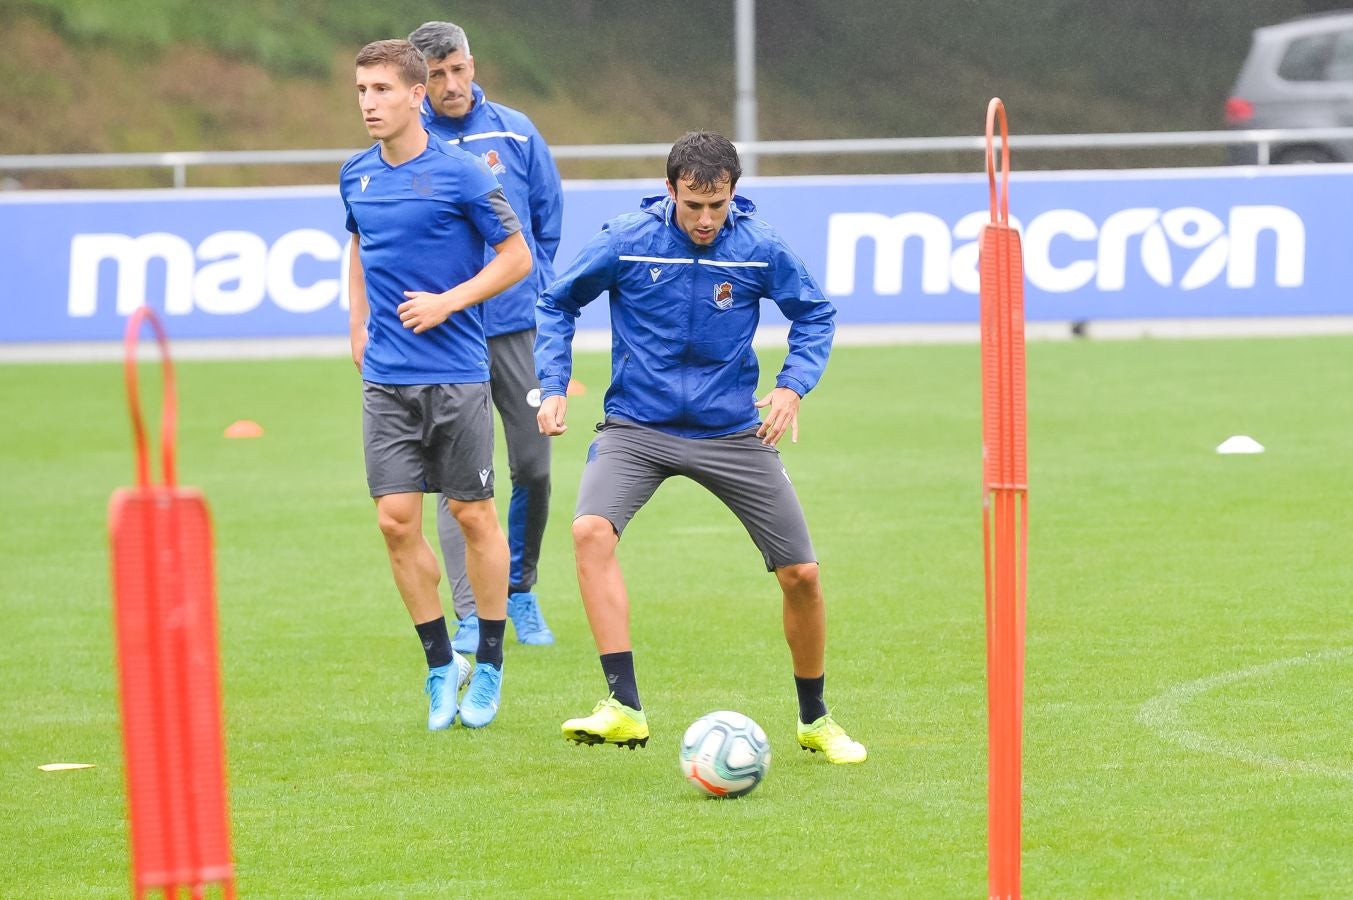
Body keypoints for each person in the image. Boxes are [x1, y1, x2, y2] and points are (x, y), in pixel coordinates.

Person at [534, 131, 867, 764]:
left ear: (734, 194)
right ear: (671, 192)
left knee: (802, 574)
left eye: (717, 206)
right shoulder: (628, 240)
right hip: (637, 426)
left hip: (732, 432)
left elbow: (815, 313)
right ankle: (623, 709)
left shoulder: (761, 246)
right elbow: (557, 302)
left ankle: (815, 717)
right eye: (693, 206)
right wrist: (551, 386)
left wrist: (793, 386)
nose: (706, 220)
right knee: (588, 533)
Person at [340, 39, 532, 731]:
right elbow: (359, 245)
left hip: (455, 374)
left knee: (472, 515)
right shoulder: (354, 175)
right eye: (362, 90)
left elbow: (516, 257)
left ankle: (489, 663)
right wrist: (356, 322)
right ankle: (437, 664)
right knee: (394, 521)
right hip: (387, 380)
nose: (369, 103)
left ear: (416, 96)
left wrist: (450, 301)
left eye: (382, 90)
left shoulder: (462, 174)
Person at [408, 21, 564, 654]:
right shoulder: (410, 146)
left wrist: (543, 296)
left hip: (516, 328)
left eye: (458, 70)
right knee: (458, 477)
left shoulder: (516, 131)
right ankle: (473, 609)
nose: (450, 85)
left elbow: (546, 223)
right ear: (420, 81)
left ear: (473, 64)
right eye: (436, 75)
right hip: (449, 337)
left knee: (533, 462)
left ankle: (520, 589)